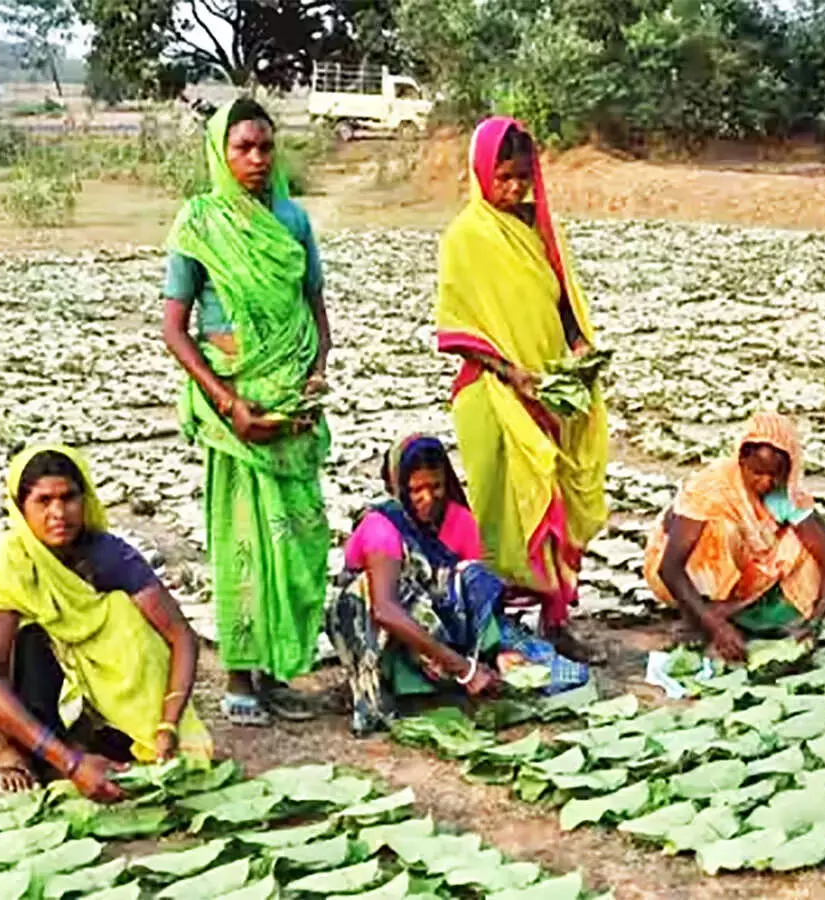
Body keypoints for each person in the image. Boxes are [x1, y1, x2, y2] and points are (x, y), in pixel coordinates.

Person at [160, 98, 332, 727]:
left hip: (291, 404)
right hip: (235, 405)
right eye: (243, 148)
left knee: (298, 540)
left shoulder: (291, 219)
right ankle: (238, 677)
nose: (257, 159)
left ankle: (277, 672)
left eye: (265, 146)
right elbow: (174, 328)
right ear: (221, 153)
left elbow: (315, 305)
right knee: (242, 542)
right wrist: (228, 402)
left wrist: (314, 378)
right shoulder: (200, 223)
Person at [0, 445, 211, 800]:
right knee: (29, 635)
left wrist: (168, 722)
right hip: (26, 688)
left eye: (69, 498)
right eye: (43, 501)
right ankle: (17, 747)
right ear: (21, 508)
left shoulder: (109, 555)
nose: (59, 513)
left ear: (85, 500)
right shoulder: (9, 566)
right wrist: (70, 764)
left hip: (89, 692)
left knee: (123, 614)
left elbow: (180, 636)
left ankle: (96, 735)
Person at [435, 117, 609, 636]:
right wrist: (514, 374)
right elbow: (460, 327)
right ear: (482, 172)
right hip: (493, 394)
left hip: (551, 388)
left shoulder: (539, 227)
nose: (512, 189)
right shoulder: (466, 237)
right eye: (503, 177)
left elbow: (563, 297)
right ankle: (495, 629)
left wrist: (578, 345)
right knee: (507, 513)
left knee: (557, 503)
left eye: (521, 177)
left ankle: (556, 623)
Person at [327, 435, 591, 736]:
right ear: (397, 486)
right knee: (390, 592)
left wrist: (496, 650)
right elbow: (385, 610)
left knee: (476, 580)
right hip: (384, 633)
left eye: (436, 486)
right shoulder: (382, 527)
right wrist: (463, 669)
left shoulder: (460, 522)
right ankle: (395, 682)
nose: (428, 498)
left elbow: (478, 601)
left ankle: (453, 678)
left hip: (442, 635)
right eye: (415, 490)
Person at [643, 411, 825, 662]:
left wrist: (816, 620)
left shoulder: (787, 495)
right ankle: (698, 617)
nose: (766, 483)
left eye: (775, 474)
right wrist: (715, 628)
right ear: (742, 460)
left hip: (743, 572)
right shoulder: (712, 488)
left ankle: (732, 613)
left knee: (803, 551)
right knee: (720, 532)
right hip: (682, 573)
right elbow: (670, 568)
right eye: (757, 473)